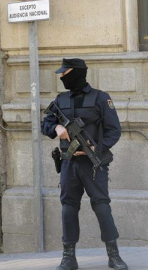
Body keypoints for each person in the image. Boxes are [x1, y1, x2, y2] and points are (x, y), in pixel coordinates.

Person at [42, 58, 128, 270]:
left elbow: (114, 131)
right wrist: (56, 130)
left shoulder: (100, 98)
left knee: (101, 206)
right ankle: (68, 257)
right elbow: (46, 122)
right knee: (68, 208)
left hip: (93, 165)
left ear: (77, 73)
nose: (62, 77)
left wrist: (94, 149)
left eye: (66, 73)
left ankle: (113, 255)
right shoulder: (60, 100)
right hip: (69, 163)